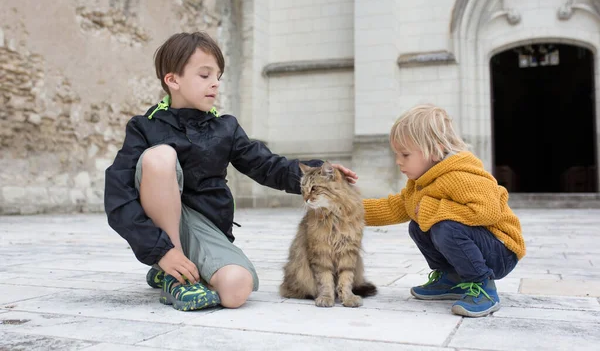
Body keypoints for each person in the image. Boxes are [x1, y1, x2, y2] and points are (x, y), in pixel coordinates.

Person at [104, 32, 358, 312]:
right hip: (159, 232)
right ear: (172, 80)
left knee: (236, 290)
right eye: (204, 75)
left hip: (206, 228)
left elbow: (266, 165)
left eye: (218, 76)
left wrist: (322, 169)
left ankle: (185, 268)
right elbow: (118, 195)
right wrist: (161, 251)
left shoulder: (225, 128)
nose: (214, 83)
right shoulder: (144, 127)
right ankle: (173, 273)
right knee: (160, 157)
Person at [362, 104, 525, 317]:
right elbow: (394, 207)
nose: (398, 161)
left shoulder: (461, 175)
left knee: (443, 226)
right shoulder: (422, 181)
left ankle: (483, 286)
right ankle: (452, 278)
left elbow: (487, 212)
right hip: (480, 247)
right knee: (418, 225)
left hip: (501, 250)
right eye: (397, 154)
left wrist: (432, 209)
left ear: (435, 150)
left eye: (405, 154)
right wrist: (348, 209)